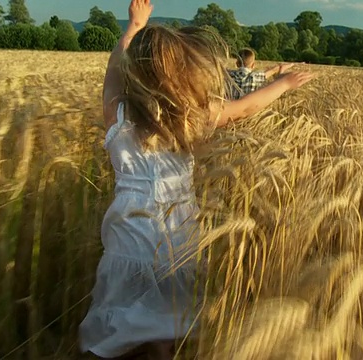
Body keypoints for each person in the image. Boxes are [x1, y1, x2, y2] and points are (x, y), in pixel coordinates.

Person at [78, 1, 315, 359]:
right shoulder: (192, 118)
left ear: (135, 74)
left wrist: (134, 26)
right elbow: (248, 107)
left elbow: (114, 68)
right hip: (177, 232)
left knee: (123, 307)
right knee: (171, 310)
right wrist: (283, 83)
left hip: (129, 230)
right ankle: (162, 348)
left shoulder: (119, 115)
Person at [227, 48, 297, 100]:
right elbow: (273, 70)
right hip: (249, 115)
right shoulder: (255, 77)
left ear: (237, 64)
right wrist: (289, 65)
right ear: (253, 65)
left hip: (229, 113)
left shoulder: (229, 75)